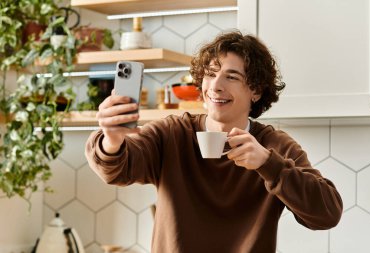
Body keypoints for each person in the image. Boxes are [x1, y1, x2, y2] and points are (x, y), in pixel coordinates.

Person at [85, 30, 343, 253]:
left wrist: (268, 164)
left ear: (256, 90)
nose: (215, 86)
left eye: (231, 77)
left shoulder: (274, 145)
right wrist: (112, 138)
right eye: (210, 74)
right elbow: (116, 170)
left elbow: (327, 214)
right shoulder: (173, 133)